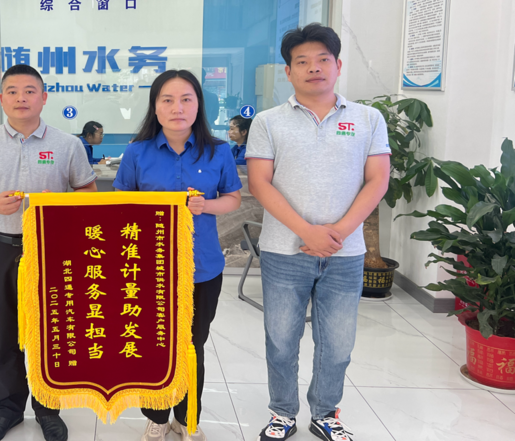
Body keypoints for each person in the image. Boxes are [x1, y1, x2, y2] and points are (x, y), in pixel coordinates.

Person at [246, 24, 390, 441]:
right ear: (288, 71)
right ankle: (282, 412)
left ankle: (326, 413)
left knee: (338, 344)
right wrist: (307, 231)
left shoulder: (368, 119)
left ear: (338, 65)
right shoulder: (268, 122)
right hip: (283, 250)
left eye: (323, 60)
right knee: (280, 340)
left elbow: (378, 180)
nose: (314, 68)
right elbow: (259, 183)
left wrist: (338, 232)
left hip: (345, 253)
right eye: (302, 61)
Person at [0, 64, 98, 441]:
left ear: (43, 97)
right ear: (1, 99)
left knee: (51, 331)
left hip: (52, 250)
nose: (21, 98)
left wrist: (60, 204)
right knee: (5, 332)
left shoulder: (67, 145)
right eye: (12, 91)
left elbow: (88, 193)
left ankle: (48, 407)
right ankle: (9, 408)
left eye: (30, 91)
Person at [113, 69, 242, 441]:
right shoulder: (137, 152)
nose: (177, 108)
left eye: (186, 99)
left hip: (202, 267)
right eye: (167, 100)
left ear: (198, 105)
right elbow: (121, 202)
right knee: (151, 343)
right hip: (148, 268)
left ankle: (187, 417)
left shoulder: (218, 151)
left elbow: (233, 198)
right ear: (155, 107)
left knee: (191, 345)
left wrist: (206, 206)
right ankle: (156, 415)